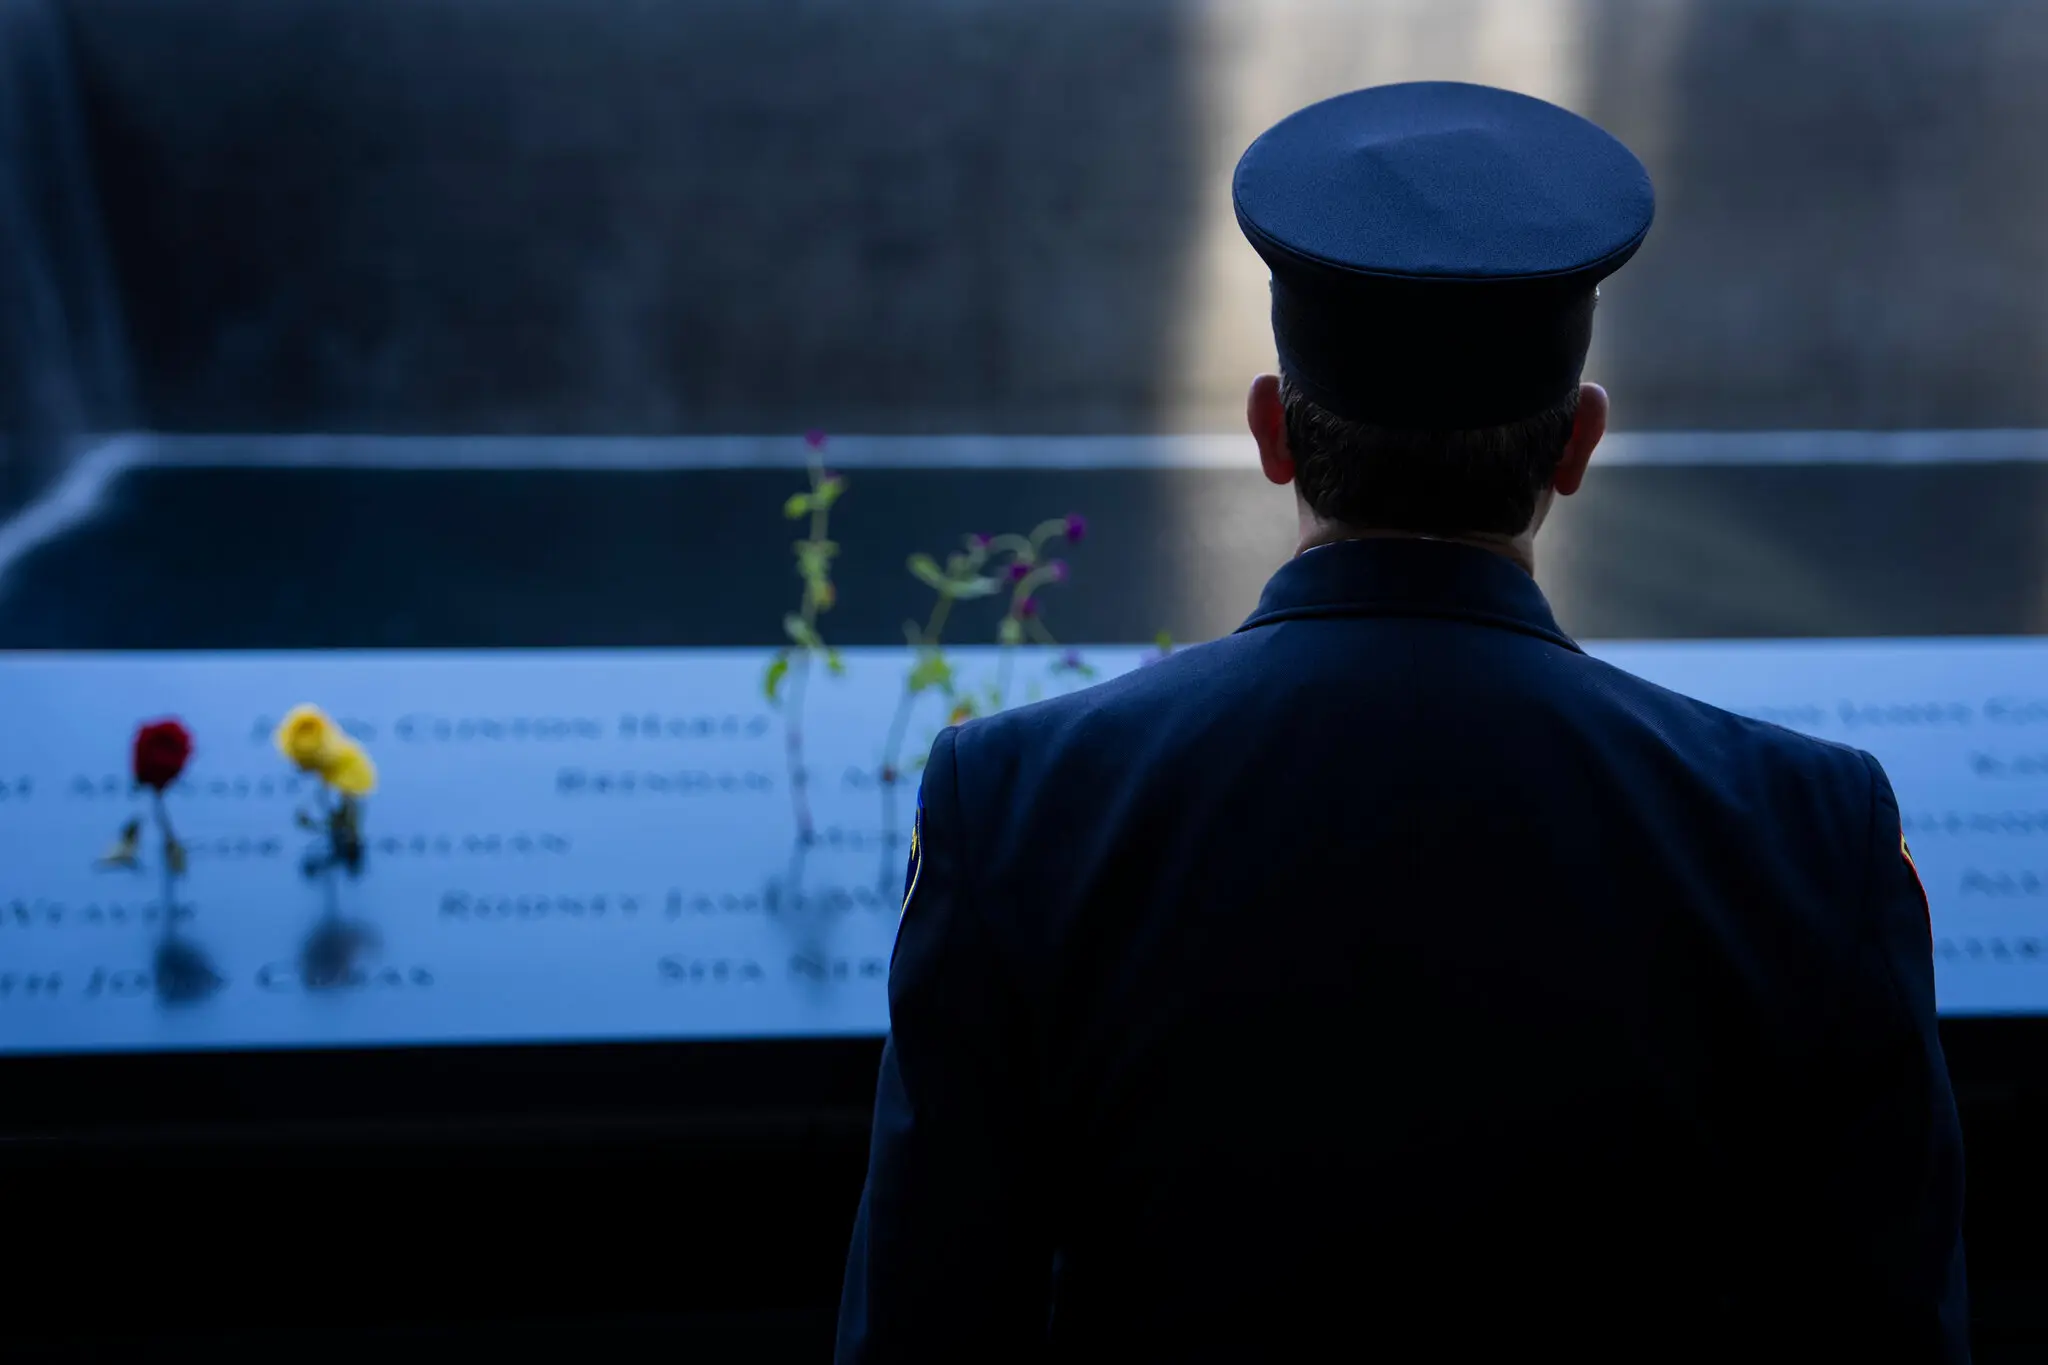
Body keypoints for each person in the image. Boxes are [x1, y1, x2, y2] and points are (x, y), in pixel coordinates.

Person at [837, 82, 1967, 1363]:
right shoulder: (1807, 833)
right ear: (1574, 445)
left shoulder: (1018, 803)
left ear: (1272, 431)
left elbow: (923, 1329)